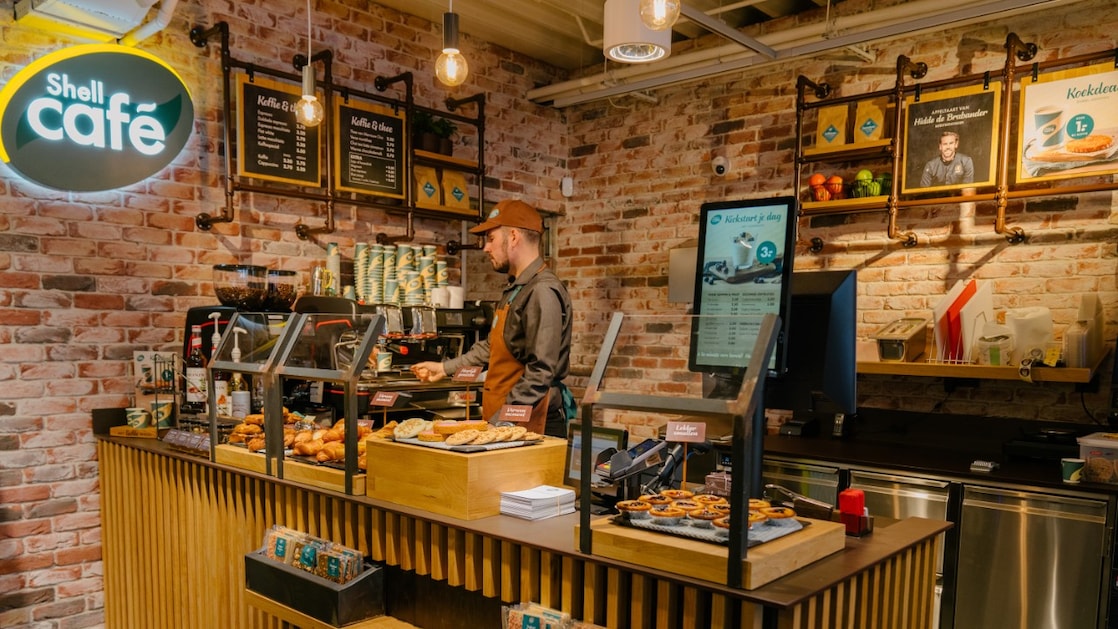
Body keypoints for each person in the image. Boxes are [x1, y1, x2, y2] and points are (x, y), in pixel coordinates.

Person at [411, 199, 574, 438]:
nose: (486, 248)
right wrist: (444, 368)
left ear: (514, 237)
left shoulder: (542, 291)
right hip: (508, 425)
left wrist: (501, 422)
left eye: (491, 239)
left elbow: (541, 371)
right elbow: (493, 347)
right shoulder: (518, 288)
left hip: (530, 425)